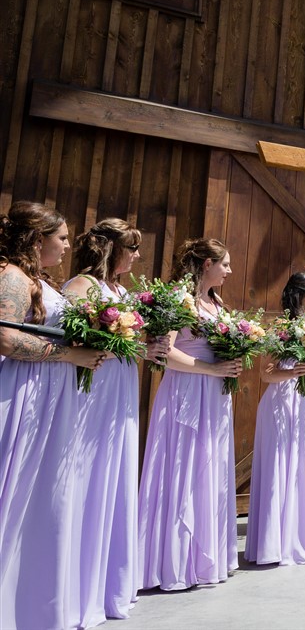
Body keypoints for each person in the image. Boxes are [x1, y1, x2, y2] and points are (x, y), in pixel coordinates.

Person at [0, 201, 105, 629]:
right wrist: (69, 354)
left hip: (48, 396)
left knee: (45, 500)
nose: (66, 246)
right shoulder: (11, 276)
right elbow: (5, 338)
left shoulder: (39, 279)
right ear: (36, 239)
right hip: (22, 396)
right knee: (15, 493)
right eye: (60, 238)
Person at [63, 218, 170, 620]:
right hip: (93, 388)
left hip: (121, 386)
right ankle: (77, 579)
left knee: (116, 472)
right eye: (133, 248)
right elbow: (72, 339)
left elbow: (125, 341)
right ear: (111, 249)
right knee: (90, 472)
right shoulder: (81, 287)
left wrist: (149, 345)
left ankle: (109, 581)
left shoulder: (123, 291)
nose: (139, 256)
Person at [137, 238, 243, 590]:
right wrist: (212, 369)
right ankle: (175, 562)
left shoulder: (216, 303)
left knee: (210, 467)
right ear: (206, 264)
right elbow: (163, 353)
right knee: (184, 467)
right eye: (224, 264)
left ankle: (204, 557)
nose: (229, 271)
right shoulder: (179, 300)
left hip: (214, 396)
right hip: (186, 392)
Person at [244, 272, 305, 565]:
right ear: (299, 296)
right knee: (281, 465)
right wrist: (291, 373)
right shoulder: (281, 328)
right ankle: (273, 543)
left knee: (299, 466)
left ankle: (296, 538)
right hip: (281, 402)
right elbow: (266, 374)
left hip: (303, 403)